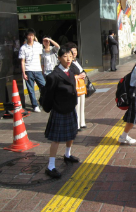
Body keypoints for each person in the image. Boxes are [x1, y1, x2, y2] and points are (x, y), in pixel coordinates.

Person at [42, 46, 79, 178]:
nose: (68, 59)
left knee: (71, 134)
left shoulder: (72, 69)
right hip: (59, 109)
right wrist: (48, 108)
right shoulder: (54, 76)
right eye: (64, 56)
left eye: (70, 56)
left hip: (70, 107)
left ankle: (67, 155)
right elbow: (47, 94)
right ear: (58, 58)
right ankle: (50, 166)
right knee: (56, 138)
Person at [19, 28, 46, 113]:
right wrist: (24, 73)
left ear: (34, 36)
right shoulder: (23, 48)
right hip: (28, 70)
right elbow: (22, 61)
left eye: (32, 35)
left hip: (37, 70)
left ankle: (42, 102)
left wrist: (41, 69)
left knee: (44, 87)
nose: (30, 37)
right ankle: (35, 105)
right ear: (26, 36)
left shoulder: (38, 45)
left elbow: (40, 57)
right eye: (29, 35)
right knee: (31, 89)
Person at [67, 42, 87, 131]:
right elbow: (68, 74)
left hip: (81, 85)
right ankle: (76, 124)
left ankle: (82, 122)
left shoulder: (77, 60)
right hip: (75, 86)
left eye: (75, 51)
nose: (75, 53)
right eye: (73, 51)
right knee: (77, 105)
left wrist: (84, 74)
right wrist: (78, 76)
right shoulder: (69, 63)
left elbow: (82, 70)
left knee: (82, 104)